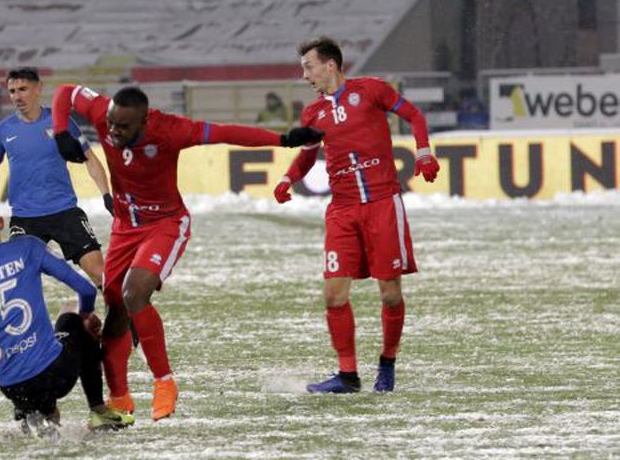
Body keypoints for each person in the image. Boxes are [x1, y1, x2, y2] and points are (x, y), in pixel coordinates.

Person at [53, 83, 323, 420]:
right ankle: (119, 396)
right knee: (116, 311)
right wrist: (62, 129)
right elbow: (66, 91)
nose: (113, 131)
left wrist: (282, 140)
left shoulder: (170, 130)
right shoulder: (105, 114)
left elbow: (227, 132)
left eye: (123, 126)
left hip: (165, 224)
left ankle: (163, 381)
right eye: (111, 124)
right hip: (125, 225)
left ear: (144, 122)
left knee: (134, 293)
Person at [273, 36, 440, 394]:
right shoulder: (312, 113)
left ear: (330, 65)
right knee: (333, 294)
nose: (304, 75)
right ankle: (347, 376)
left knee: (390, 293)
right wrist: (288, 178)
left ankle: (387, 363)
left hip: (382, 202)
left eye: (308, 66)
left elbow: (415, 115)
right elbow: (307, 155)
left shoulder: (371, 90)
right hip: (342, 209)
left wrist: (424, 154)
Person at [0, 197, 133, 436]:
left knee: (31, 384)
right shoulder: (28, 248)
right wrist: (87, 315)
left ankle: (38, 413)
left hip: (13, 386)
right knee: (71, 317)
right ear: (0, 223)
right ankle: (98, 411)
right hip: (54, 373)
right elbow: (86, 290)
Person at [0, 67, 112, 287]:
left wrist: (107, 195)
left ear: (38, 89)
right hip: (25, 218)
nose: (17, 96)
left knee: (100, 273)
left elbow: (90, 158)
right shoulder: (3, 130)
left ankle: (121, 320)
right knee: (18, 281)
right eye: (12, 91)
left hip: (65, 212)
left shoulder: (60, 122)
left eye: (23, 89)